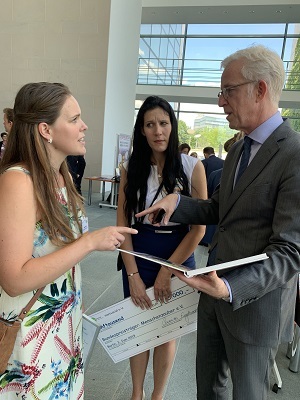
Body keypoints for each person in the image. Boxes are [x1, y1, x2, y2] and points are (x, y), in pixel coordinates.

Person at [136, 45, 300, 400]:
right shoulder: (240, 148)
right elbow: (220, 209)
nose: (220, 101)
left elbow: (289, 251)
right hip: (211, 299)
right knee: (209, 390)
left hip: (254, 309)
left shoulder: (294, 154)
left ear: (260, 89)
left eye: (228, 90)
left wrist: (230, 289)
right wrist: (176, 203)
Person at [0, 82, 137, 399]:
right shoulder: (19, 181)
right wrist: (88, 243)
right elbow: (13, 278)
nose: (84, 125)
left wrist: (77, 302)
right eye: (74, 119)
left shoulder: (61, 177)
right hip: (29, 330)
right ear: (45, 129)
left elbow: (59, 259)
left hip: (64, 321)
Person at [117, 95, 207, 400]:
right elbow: (123, 226)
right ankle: (137, 394)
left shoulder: (192, 167)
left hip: (178, 255)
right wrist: (133, 276)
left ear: (173, 126)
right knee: (138, 328)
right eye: (150, 124)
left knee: (167, 331)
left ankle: (157, 395)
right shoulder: (131, 167)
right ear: (141, 129)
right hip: (138, 255)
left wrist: (168, 271)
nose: (158, 130)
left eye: (164, 123)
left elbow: (199, 228)